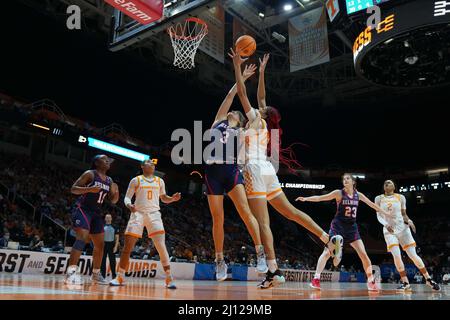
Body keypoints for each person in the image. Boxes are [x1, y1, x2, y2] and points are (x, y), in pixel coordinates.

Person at [229, 49, 343, 289]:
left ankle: (273, 272)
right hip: (268, 170)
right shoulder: (264, 122)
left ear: (264, 114)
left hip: (255, 170)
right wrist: (261, 73)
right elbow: (262, 97)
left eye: (263, 106)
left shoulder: (256, 120)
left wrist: (237, 67)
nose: (261, 104)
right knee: (290, 211)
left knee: (263, 223)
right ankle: (327, 238)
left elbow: (242, 92)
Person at [204, 64, 268, 281]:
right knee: (217, 218)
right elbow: (232, 95)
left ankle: (260, 252)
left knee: (244, 212)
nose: (232, 111)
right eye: (232, 110)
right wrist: (240, 77)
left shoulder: (242, 130)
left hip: (231, 170)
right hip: (212, 171)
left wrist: (258, 109)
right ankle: (219, 260)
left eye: (236, 113)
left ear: (240, 120)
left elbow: (258, 119)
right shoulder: (218, 120)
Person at [296, 173, 391, 291]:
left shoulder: (358, 195)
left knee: (364, 254)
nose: (345, 180)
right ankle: (316, 279)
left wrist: (385, 213)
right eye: (344, 179)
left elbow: (372, 205)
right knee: (326, 252)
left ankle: (370, 281)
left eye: (348, 179)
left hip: (352, 228)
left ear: (353, 182)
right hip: (338, 226)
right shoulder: (338, 193)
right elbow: (320, 198)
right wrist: (306, 199)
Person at [110, 159, 181, 289]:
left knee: (161, 246)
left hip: (154, 214)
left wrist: (172, 199)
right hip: (138, 213)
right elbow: (127, 197)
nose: (152, 164)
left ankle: (169, 277)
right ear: (142, 166)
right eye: (149, 162)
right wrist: (128, 204)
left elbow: (163, 197)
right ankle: (120, 276)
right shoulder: (136, 180)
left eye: (153, 163)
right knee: (127, 247)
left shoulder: (160, 181)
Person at [375, 180, 441, 291]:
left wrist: (409, 221)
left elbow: (404, 214)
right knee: (397, 255)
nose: (387, 183)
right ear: (384, 187)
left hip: (403, 229)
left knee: (413, 255)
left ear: (394, 186)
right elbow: (378, 215)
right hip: (389, 231)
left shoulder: (401, 197)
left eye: (390, 182)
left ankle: (428, 279)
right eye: (385, 182)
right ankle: (405, 283)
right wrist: (386, 225)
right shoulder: (378, 198)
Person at [64, 155, 119, 285]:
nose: (107, 161)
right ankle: (70, 274)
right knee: (81, 238)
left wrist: (116, 192)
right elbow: (73, 189)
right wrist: (89, 188)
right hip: (83, 209)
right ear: (96, 162)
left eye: (108, 160)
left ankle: (95, 274)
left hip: (96, 213)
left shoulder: (110, 180)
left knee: (101, 245)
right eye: (104, 159)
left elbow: (113, 201)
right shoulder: (90, 174)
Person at [100, 214, 119, 280]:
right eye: (107, 218)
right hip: (103, 244)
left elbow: (117, 238)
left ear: (111, 219)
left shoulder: (115, 227)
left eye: (109, 218)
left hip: (111, 245)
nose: (108, 219)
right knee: (103, 260)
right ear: (105, 219)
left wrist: (116, 246)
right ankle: (102, 275)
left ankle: (114, 275)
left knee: (112, 261)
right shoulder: (102, 226)